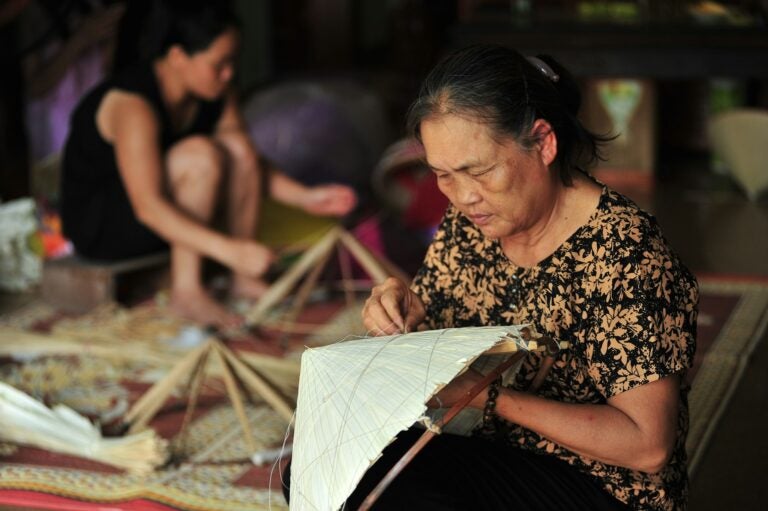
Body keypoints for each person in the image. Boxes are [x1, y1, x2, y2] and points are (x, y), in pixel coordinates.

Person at [354, 45, 698, 510]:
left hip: (603, 485)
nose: (463, 196)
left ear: (542, 142)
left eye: (479, 171)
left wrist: (485, 396)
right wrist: (403, 311)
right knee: (343, 471)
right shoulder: (470, 221)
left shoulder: (626, 253)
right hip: (499, 449)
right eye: (443, 175)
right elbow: (435, 325)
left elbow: (648, 446)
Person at [60, 0, 357, 329]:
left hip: (168, 219)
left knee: (238, 149)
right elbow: (148, 207)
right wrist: (232, 251)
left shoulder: (216, 90)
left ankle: (243, 281)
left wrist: (305, 197)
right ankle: (186, 291)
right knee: (201, 155)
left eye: (232, 62)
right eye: (219, 64)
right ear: (177, 57)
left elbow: (249, 163)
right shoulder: (132, 104)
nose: (228, 73)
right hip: (105, 227)